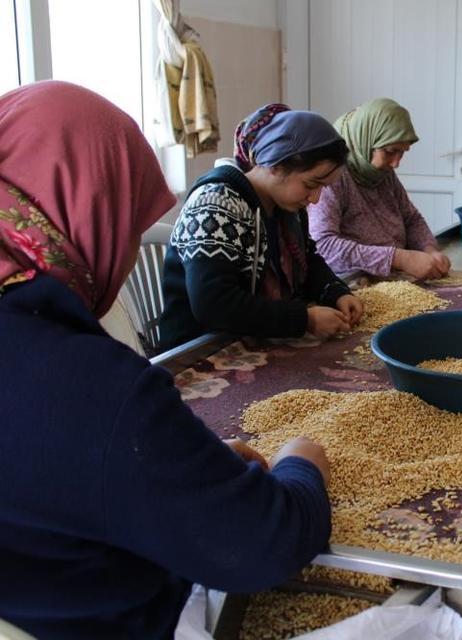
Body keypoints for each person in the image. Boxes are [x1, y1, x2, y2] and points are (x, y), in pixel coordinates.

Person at [0, 82, 334, 638]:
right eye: (130, 226)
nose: (131, 254)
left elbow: (53, 482)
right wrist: (303, 460)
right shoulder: (91, 384)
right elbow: (259, 545)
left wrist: (171, 464)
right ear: (90, 217)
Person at [158, 103, 363, 352]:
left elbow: (307, 259)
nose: (315, 198)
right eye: (311, 184)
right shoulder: (217, 204)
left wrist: (336, 292)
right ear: (276, 166)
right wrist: (304, 320)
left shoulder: (286, 208)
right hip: (203, 348)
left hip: (258, 336)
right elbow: (213, 303)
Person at [307, 97, 451, 280]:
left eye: (402, 152)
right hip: (351, 281)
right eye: (390, 151)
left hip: (393, 278)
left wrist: (429, 250)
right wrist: (398, 258)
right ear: (366, 140)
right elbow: (324, 246)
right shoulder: (335, 176)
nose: (396, 163)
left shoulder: (382, 172)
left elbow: (410, 218)